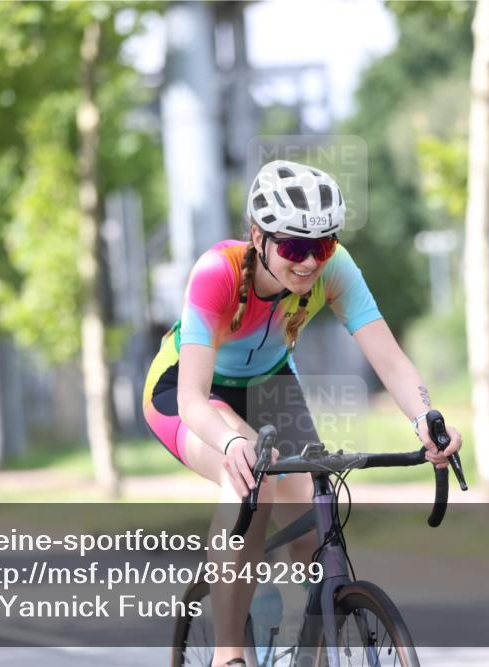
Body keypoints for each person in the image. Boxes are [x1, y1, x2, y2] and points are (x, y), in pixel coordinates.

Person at [142, 159, 463, 667]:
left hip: (269, 385)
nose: (310, 262)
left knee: (316, 523)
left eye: (324, 244)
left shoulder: (334, 271)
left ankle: (305, 647)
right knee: (252, 482)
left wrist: (425, 418)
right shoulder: (216, 273)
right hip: (189, 393)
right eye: (294, 246)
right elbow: (192, 400)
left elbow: (390, 358)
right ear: (258, 237)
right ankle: (229, 654)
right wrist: (230, 443)